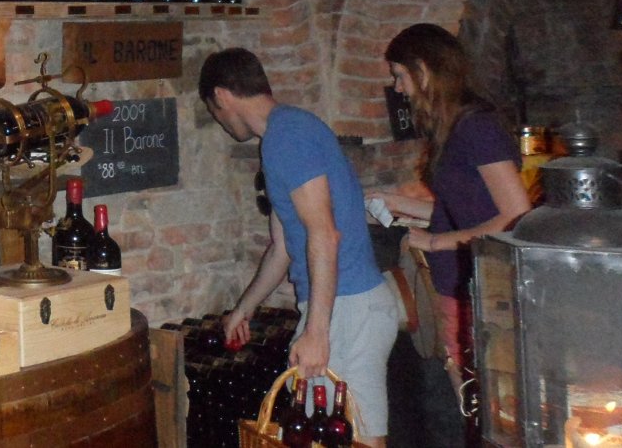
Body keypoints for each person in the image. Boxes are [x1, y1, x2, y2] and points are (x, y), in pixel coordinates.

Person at [200, 48, 398, 448]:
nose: (219, 122)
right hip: (346, 307)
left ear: (221, 96)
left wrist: (317, 332)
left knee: (356, 441)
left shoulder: (286, 137)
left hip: (348, 310)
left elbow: (325, 234)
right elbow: (284, 248)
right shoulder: (285, 133)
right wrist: (244, 308)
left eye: (213, 111)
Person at [367, 24, 530, 396]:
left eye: (400, 75)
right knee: (467, 391)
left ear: (423, 70)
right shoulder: (453, 127)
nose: (397, 88)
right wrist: (397, 203)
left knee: (484, 396)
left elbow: (515, 215)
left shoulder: (477, 128)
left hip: (483, 283)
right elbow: (464, 208)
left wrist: (435, 242)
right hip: (460, 280)